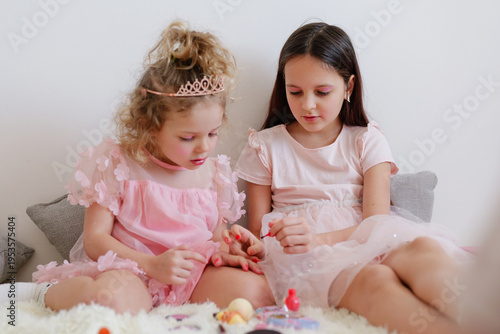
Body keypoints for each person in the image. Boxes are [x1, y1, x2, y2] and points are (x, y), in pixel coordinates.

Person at [1, 20, 273, 315]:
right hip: (132, 271)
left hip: (190, 276)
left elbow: (216, 234)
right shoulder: (118, 164)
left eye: (212, 133)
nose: (204, 147)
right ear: (149, 125)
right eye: (187, 137)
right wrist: (151, 265)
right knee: (115, 302)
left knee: (258, 292)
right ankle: (45, 293)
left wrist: (232, 245)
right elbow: (95, 241)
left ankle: (181, 306)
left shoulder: (214, 172)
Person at [235, 22, 472, 334]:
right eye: (295, 92)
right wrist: (248, 243)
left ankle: (484, 314)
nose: (307, 105)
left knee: (424, 248)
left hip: (365, 238)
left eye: (322, 92)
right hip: (306, 259)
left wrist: (321, 237)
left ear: (348, 87)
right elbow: (258, 234)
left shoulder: (366, 140)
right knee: (374, 281)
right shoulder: (265, 146)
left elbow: (377, 222)